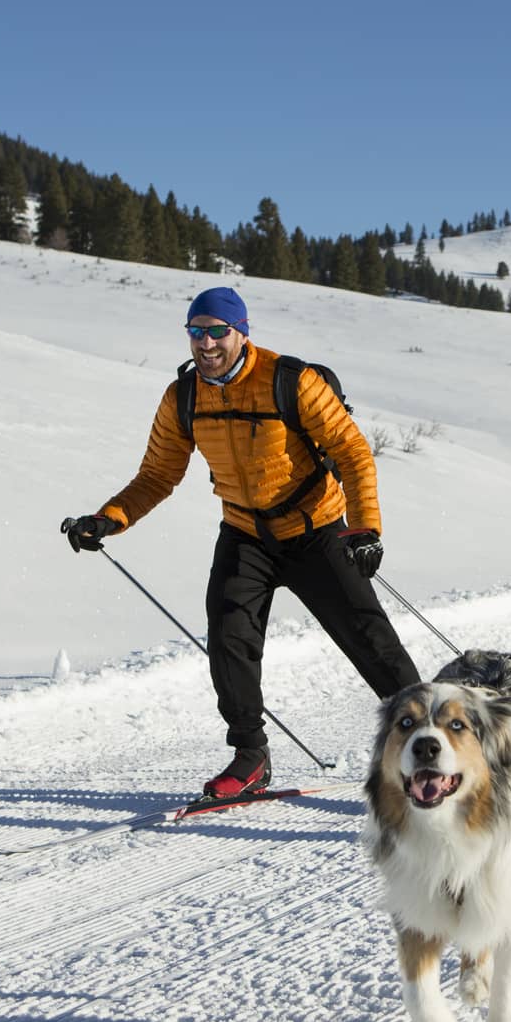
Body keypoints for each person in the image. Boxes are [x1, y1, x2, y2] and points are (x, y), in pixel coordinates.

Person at [62, 286, 420, 798]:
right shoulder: (183, 397)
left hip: (315, 528)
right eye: (196, 332)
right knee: (229, 636)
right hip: (246, 533)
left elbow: (353, 452)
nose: (206, 344)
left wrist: (365, 528)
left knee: (370, 640)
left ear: (241, 332)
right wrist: (109, 519)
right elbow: (158, 474)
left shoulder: (290, 381)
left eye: (217, 332)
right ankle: (250, 757)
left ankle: (427, 740)